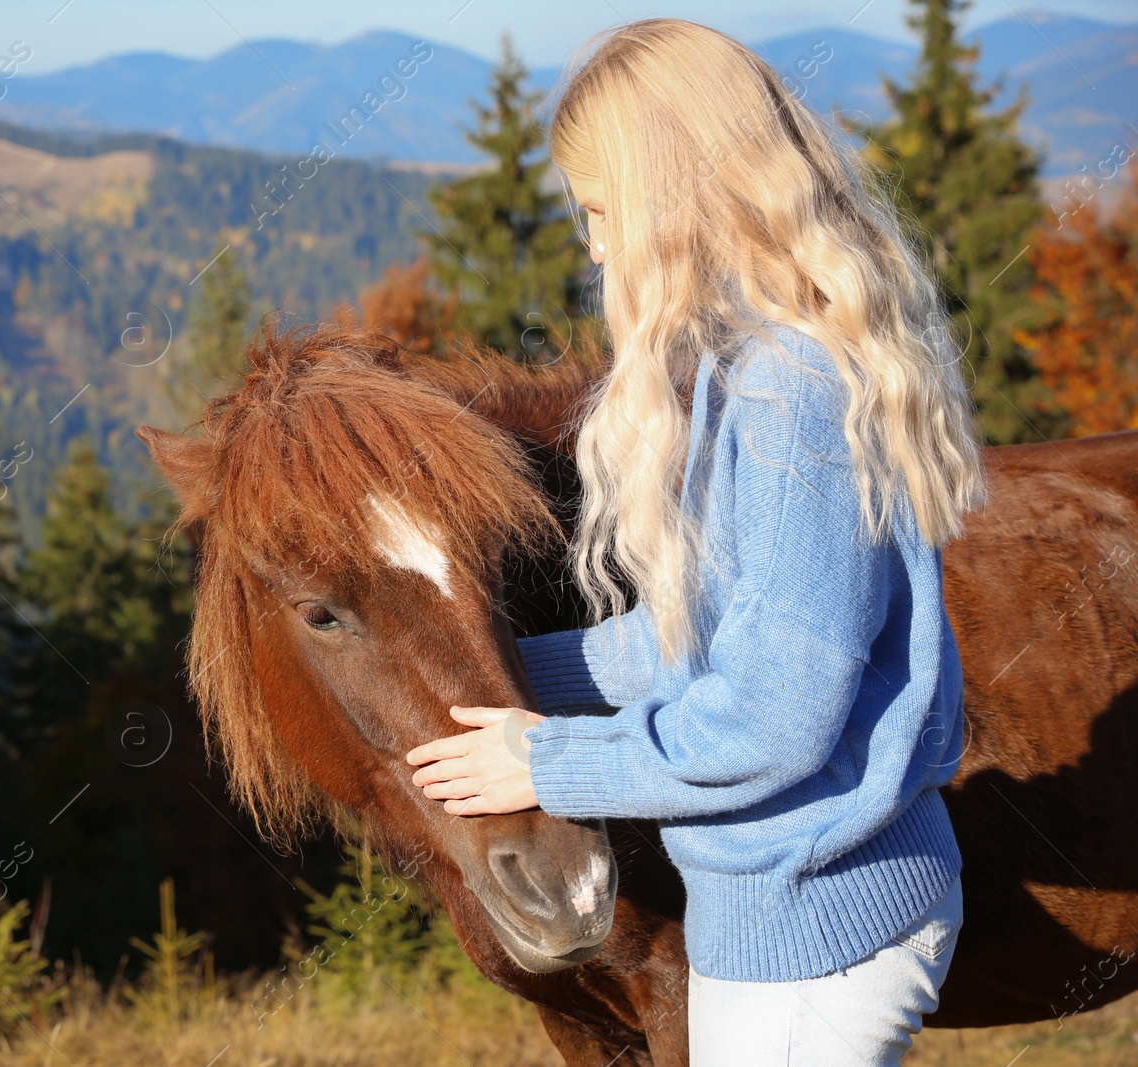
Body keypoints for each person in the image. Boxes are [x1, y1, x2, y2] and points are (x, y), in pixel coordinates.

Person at [405, 18, 983, 1066]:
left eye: (597, 210)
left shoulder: (790, 391)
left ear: (673, 196)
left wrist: (544, 758)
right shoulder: (742, 368)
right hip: (781, 918)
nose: (590, 245)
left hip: (823, 926)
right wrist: (476, 672)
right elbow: (694, 641)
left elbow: (771, 715)